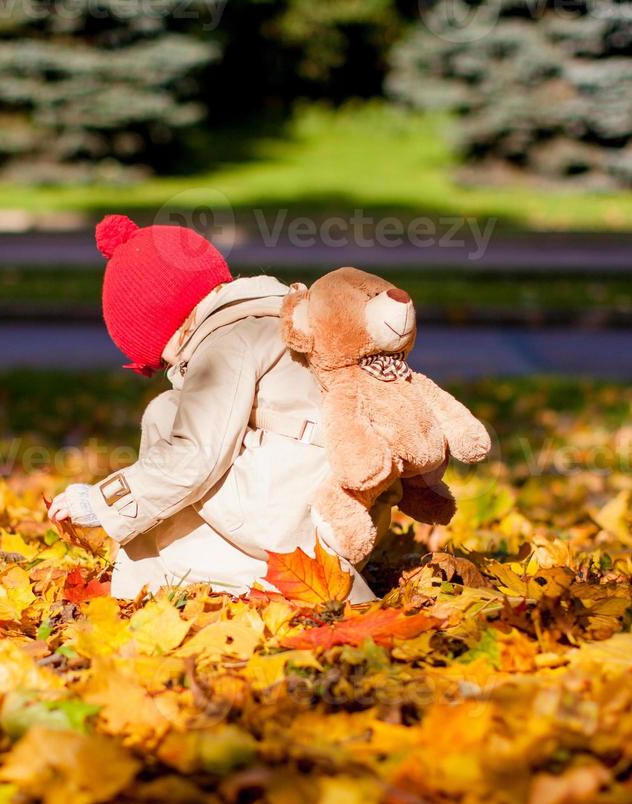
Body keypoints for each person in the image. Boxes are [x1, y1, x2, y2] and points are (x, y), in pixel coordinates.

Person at [46, 215, 392, 601]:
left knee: (166, 414)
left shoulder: (226, 343)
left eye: (165, 358)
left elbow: (194, 458)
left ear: (170, 322)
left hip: (295, 519)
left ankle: (207, 575)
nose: (173, 368)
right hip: (349, 509)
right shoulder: (276, 315)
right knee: (184, 425)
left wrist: (100, 502)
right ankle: (212, 569)